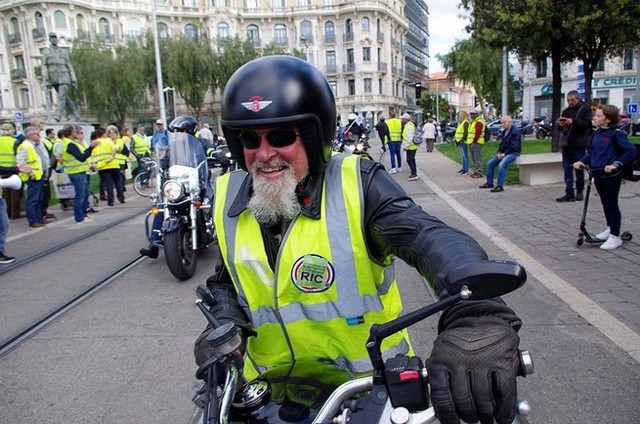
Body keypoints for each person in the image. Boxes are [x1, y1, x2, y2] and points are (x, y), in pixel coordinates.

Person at [194, 55, 524, 424]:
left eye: (282, 136)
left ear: (315, 136)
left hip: (366, 394)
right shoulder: (229, 196)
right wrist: (223, 323)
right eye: (250, 139)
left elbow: (428, 238)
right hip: (266, 398)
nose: (265, 153)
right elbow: (226, 281)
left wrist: (476, 312)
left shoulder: (358, 184)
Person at [140, 115, 209, 259]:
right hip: (177, 187)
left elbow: (210, 150)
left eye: (180, 131)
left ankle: (218, 234)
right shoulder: (171, 147)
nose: (177, 134)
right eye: (175, 131)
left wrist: (216, 155)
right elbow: (164, 161)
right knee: (162, 207)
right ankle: (154, 243)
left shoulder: (201, 143)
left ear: (189, 131)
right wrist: (157, 165)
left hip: (197, 184)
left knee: (210, 201)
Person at [573, 104, 637, 250]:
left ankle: (615, 236)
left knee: (611, 203)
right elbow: (593, 152)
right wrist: (582, 161)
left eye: (599, 116)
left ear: (608, 119)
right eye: (595, 115)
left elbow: (631, 151)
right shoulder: (597, 133)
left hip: (611, 175)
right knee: (605, 203)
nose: (595, 118)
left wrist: (616, 164)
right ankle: (610, 227)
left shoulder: (617, 134)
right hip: (598, 173)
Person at [556, 90, 592, 202]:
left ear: (577, 99)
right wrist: (561, 125)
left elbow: (587, 125)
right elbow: (562, 129)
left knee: (579, 168)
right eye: (568, 100)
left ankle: (580, 191)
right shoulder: (566, 111)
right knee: (567, 169)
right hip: (567, 144)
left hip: (579, 144)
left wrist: (573, 121)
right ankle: (569, 192)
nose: (570, 102)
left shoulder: (585, 109)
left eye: (572, 100)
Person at [61, 124, 100, 224]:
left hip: (79, 171)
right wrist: (91, 148)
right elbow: (81, 157)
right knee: (80, 195)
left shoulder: (71, 143)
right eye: (75, 132)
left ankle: (83, 214)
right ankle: (79, 217)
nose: (76, 133)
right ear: (70, 133)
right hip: (76, 173)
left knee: (84, 194)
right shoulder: (70, 144)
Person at [41, 32, 80, 122]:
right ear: (50, 39)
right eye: (52, 38)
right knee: (65, 97)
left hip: (64, 76)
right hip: (53, 77)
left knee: (62, 96)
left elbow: (69, 65)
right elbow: (44, 65)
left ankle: (57, 116)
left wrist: (73, 78)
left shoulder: (63, 52)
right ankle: (76, 114)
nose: (54, 39)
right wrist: (45, 77)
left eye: (55, 37)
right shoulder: (46, 52)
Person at [479, 116, 521, 192]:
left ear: (509, 122)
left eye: (504, 122)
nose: (502, 124)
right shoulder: (505, 131)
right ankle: (489, 183)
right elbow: (502, 144)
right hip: (504, 152)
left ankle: (500, 186)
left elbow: (514, 146)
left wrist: (504, 154)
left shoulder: (515, 132)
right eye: (501, 122)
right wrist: (499, 152)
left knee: (502, 164)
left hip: (513, 152)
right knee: (490, 164)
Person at [16, 127, 46, 228]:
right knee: (32, 200)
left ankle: (39, 218)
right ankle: (33, 221)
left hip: (38, 176)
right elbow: (20, 163)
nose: (39, 136)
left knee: (37, 199)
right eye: (37, 134)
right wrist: (30, 172)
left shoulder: (32, 145)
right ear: (31, 135)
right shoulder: (25, 146)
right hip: (32, 177)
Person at [92, 127, 123, 207]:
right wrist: (111, 157)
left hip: (102, 166)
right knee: (118, 181)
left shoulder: (94, 143)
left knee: (109, 183)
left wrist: (94, 165)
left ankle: (111, 201)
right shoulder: (108, 140)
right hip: (113, 164)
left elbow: (92, 155)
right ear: (103, 134)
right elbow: (115, 149)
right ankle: (121, 197)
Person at [0, 123, 25, 220]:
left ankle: (7, 212)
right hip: (13, 169)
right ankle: (15, 213)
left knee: (5, 191)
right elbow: (19, 156)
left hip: (1, 169)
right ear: (12, 131)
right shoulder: (15, 141)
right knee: (15, 191)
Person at [468, 108, 486, 178]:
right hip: (472, 142)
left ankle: (479, 172)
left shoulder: (479, 122)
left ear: (477, 114)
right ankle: (477, 170)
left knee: (477, 158)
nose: (472, 115)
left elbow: (477, 133)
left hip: (476, 142)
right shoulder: (473, 122)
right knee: (474, 158)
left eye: (474, 114)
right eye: (471, 114)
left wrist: (474, 141)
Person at [400, 113, 418, 181]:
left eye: (402, 119)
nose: (401, 120)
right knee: (411, 160)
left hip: (411, 146)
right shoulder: (409, 125)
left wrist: (406, 146)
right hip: (412, 146)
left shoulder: (408, 127)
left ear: (405, 119)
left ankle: (414, 174)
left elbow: (409, 138)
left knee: (409, 160)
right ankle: (414, 173)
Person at [453, 111, 471, 175]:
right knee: (462, 156)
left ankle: (466, 170)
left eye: (460, 115)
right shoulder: (460, 123)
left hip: (463, 142)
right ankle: (463, 168)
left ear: (463, 115)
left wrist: (462, 140)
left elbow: (465, 133)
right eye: (459, 115)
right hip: (459, 141)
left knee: (465, 156)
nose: (459, 116)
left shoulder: (465, 123)